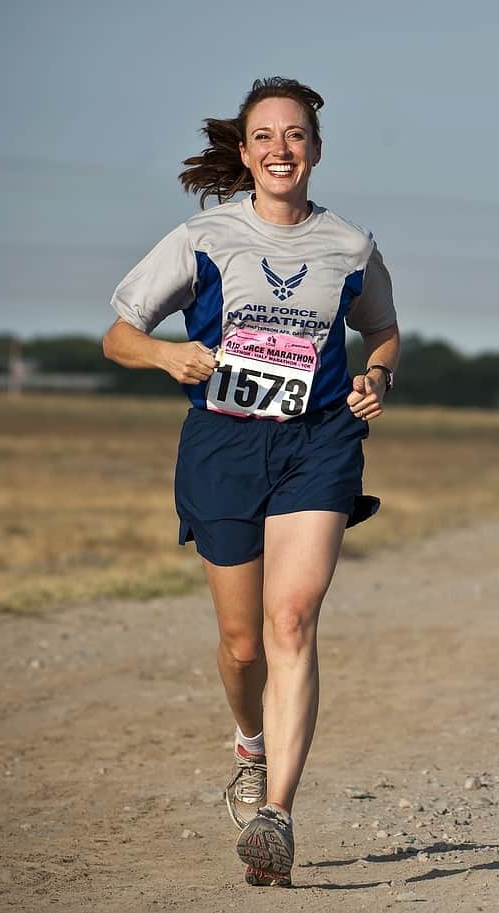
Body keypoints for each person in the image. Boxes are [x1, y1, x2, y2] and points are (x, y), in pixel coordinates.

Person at [102, 77, 399, 888]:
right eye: (265, 136)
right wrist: (167, 355)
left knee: (292, 619)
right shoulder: (202, 236)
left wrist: (379, 374)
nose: (281, 149)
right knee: (242, 645)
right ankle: (249, 742)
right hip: (224, 445)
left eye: (295, 135)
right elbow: (118, 334)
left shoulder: (350, 244)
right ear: (244, 151)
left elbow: (383, 328)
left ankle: (277, 814)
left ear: (316, 148)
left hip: (319, 441)